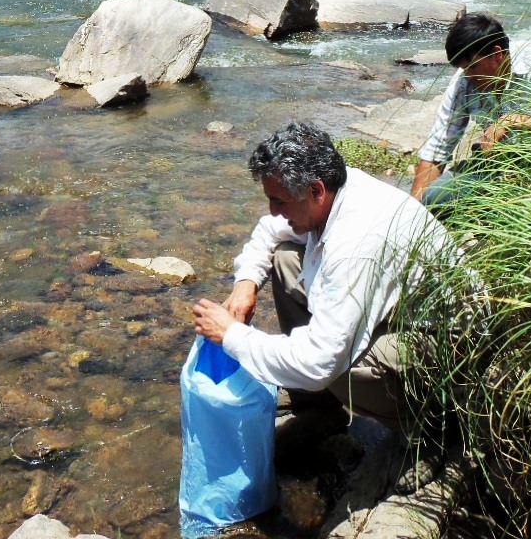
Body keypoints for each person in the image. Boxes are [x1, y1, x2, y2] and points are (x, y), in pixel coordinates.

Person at [191, 121, 465, 434]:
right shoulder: (335, 190)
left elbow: (320, 362)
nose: (273, 210)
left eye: (279, 201)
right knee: (284, 257)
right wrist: (246, 284)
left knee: (334, 369)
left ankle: (427, 431)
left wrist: (232, 336)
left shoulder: (355, 242)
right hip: (396, 311)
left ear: (316, 191)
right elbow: (269, 229)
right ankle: (318, 406)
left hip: (444, 347)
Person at [410, 12, 531, 209]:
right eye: (464, 69)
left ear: (497, 54)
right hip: (496, 164)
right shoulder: (463, 82)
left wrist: (512, 121)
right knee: (435, 197)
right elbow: (436, 152)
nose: (468, 76)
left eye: (472, 67)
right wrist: (413, 214)